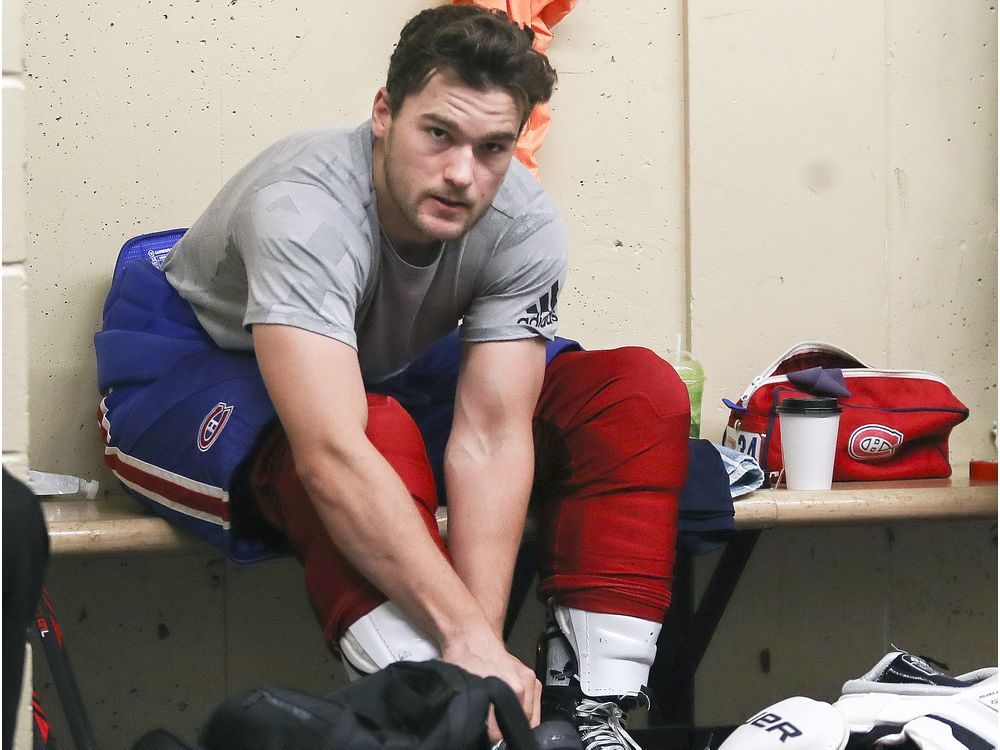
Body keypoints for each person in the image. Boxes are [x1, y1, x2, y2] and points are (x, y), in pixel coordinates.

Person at [95, 6, 690, 748]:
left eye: (493, 147)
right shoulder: (303, 209)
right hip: (194, 364)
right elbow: (333, 453)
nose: (463, 174)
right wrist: (463, 647)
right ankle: (428, 717)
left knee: (635, 393)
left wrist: (482, 649)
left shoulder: (523, 221)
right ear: (384, 113)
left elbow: (492, 437)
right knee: (372, 434)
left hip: (376, 361)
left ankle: (587, 716)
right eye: (438, 134)